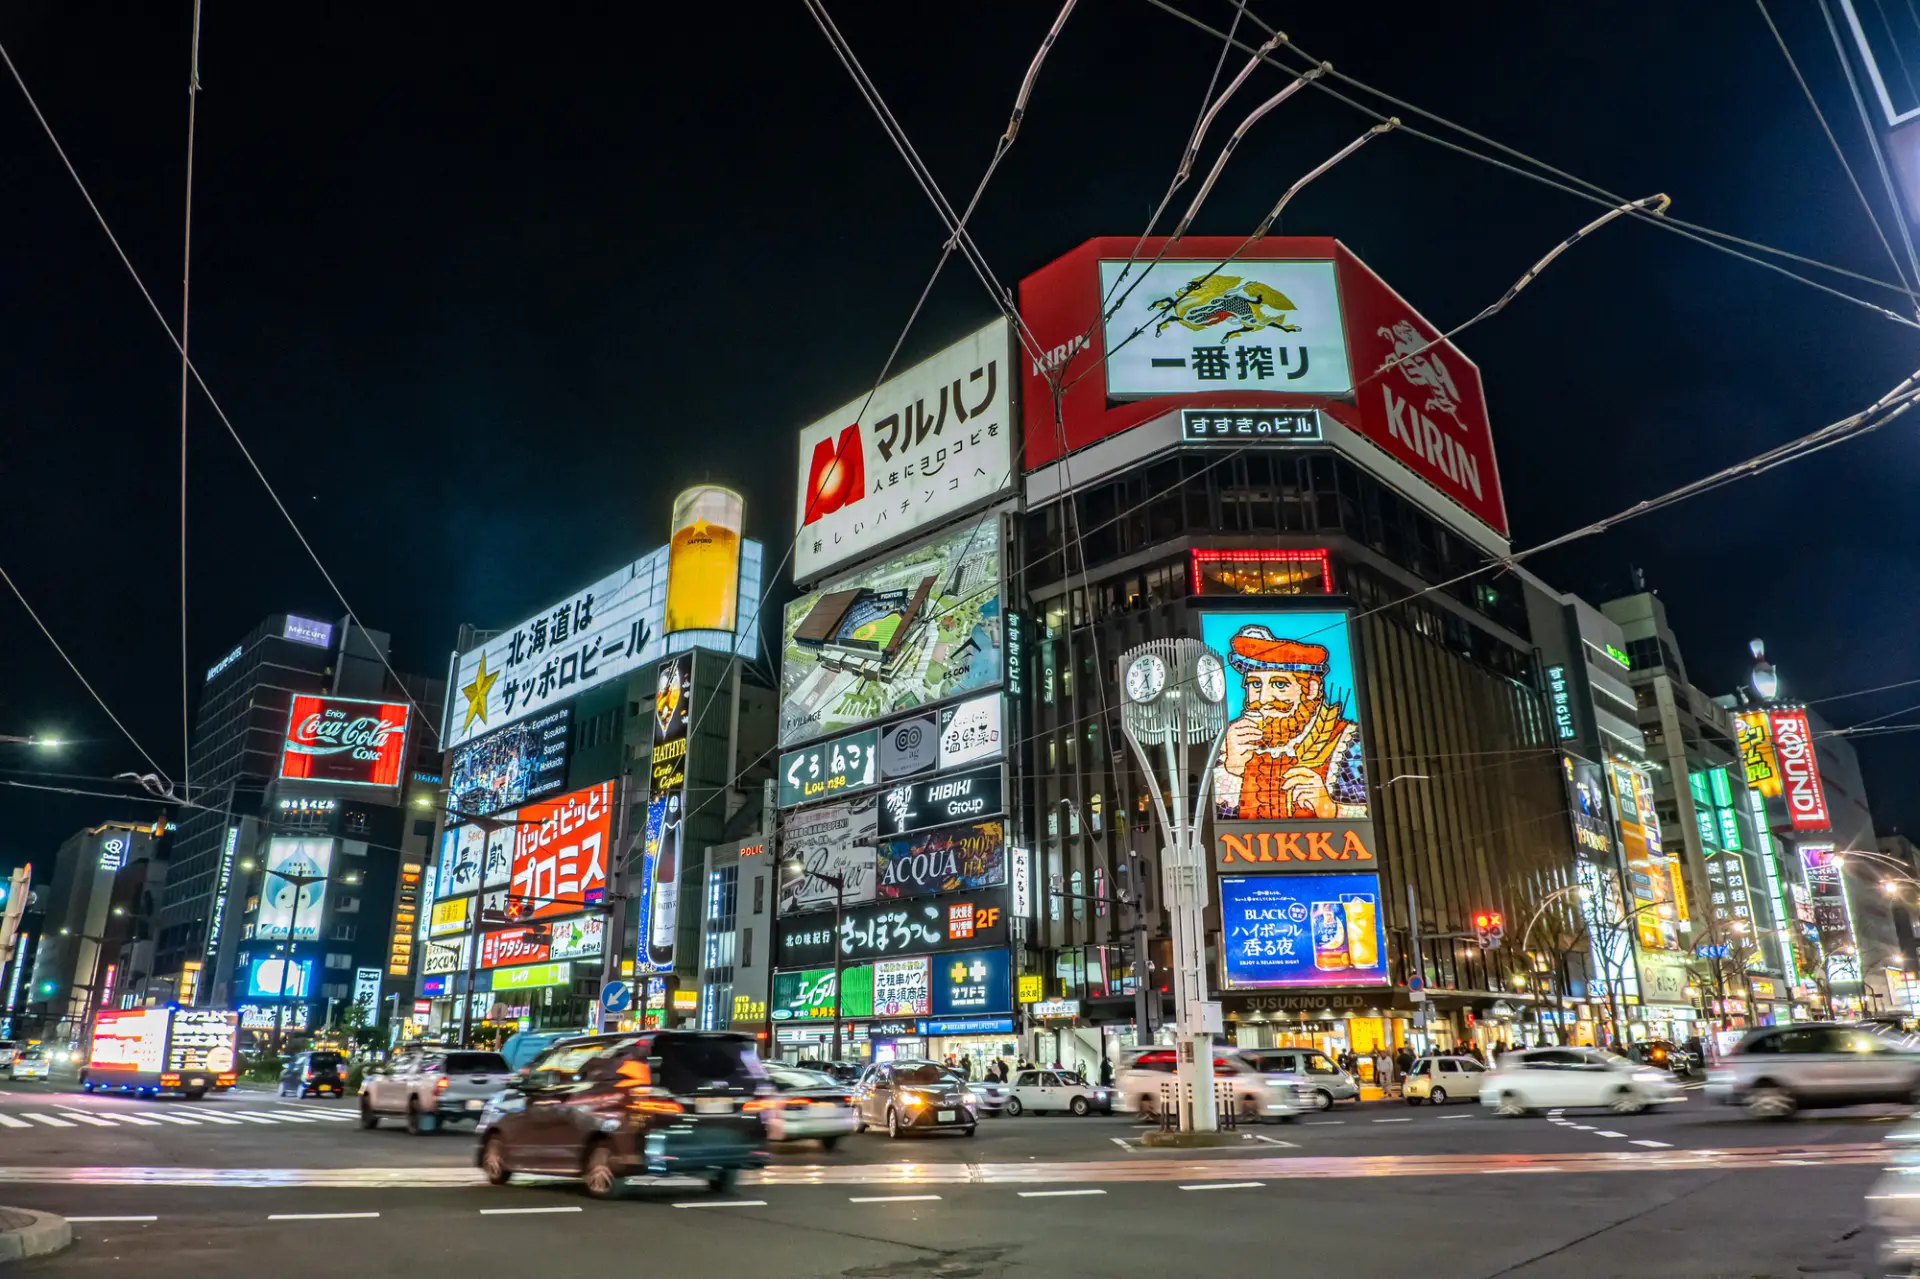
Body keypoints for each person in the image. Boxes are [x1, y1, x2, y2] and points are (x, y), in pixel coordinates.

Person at [1212, 624, 1367, 821]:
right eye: (1255, 684)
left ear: (1311, 689)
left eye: (1279, 684)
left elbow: (1377, 816)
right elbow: (1205, 826)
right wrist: (1231, 770)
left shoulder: (1349, 742)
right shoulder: (1227, 743)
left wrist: (1330, 807)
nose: (1265, 698)